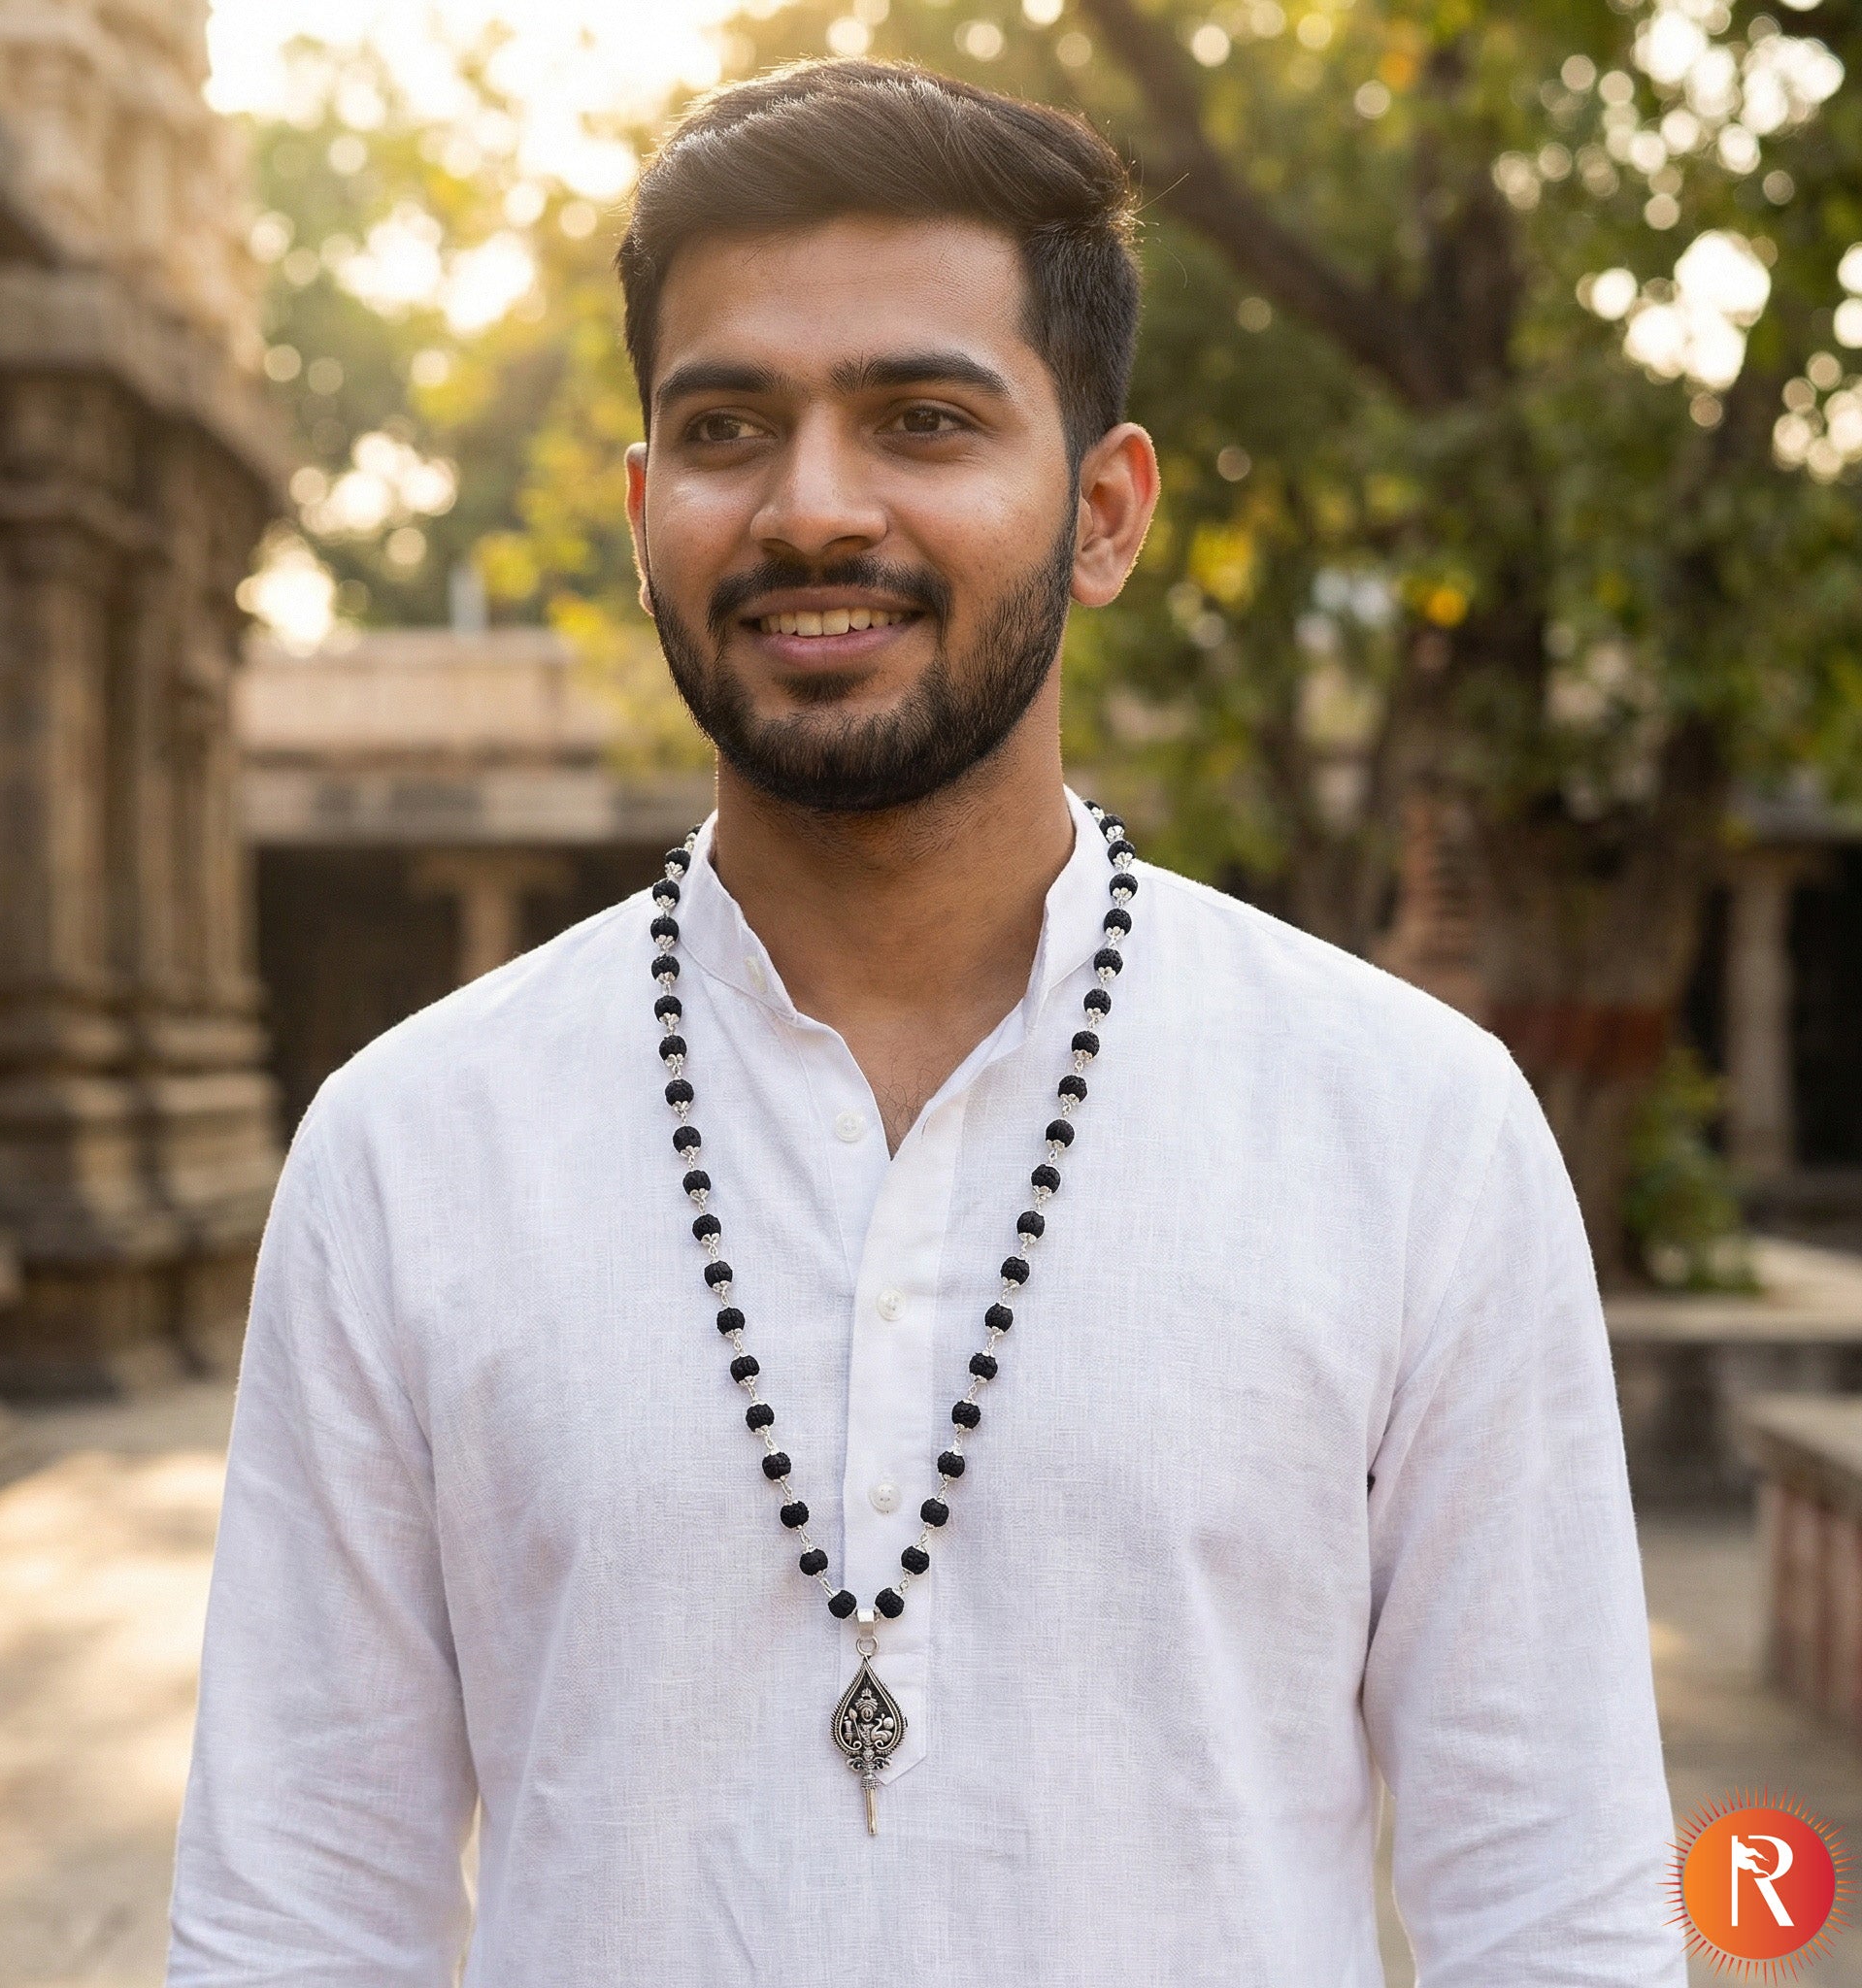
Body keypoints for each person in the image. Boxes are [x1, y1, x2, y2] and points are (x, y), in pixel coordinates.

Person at [167, 58, 1684, 1987]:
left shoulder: (1408, 1130)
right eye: (727, 426)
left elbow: (1551, 1910)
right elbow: (296, 1920)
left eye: (921, 419)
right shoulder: (410, 1149)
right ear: (645, 512)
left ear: (1105, 511)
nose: (813, 506)